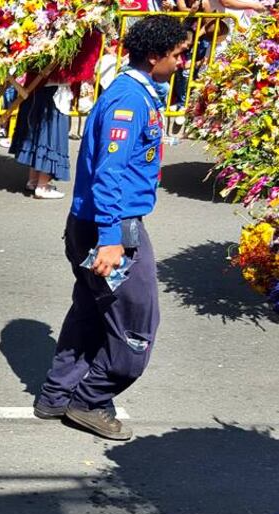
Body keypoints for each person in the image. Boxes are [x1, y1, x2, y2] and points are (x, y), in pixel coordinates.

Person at [34, 16, 191, 440]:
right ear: (154, 56)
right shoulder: (129, 101)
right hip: (112, 227)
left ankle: (57, 393)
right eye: (178, 54)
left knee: (89, 312)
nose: (183, 63)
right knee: (137, 325)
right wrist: (111, 240)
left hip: (98, 223)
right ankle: (89, 400)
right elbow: (109, 174)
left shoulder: (141, 92)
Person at [9, 30, 101, 200]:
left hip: (37, 86)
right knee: (49, 136)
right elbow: (80, 68)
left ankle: (34, 179)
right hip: (55, 88)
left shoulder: (49, 28)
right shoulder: (86, 33)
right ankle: (42, 186)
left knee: (37, 132)